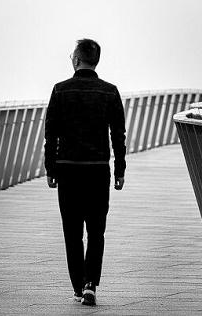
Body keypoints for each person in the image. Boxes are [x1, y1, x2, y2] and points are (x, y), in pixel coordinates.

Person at [44, 38, 126, 307]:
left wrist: (50, 168)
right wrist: (120, 169)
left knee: (72, 231)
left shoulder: (60, 90)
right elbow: (118, 135)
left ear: (77, 60)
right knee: (96, 230)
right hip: (98, 170)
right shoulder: (110, 92)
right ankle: (91, 283)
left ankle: (78, 286)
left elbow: (51, 134)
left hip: (68, 170)